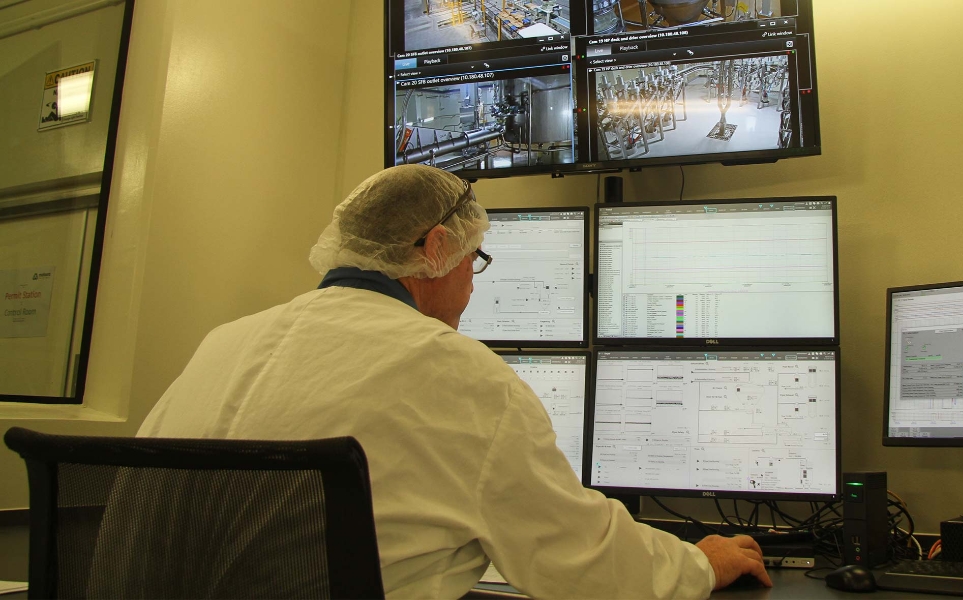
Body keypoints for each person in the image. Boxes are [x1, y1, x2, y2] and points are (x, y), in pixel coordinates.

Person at [138, 164, 772, 598]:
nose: (473, 283)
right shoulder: (454, 369)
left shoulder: (224, 343)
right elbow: (581, 561)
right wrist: (699, 563)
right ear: (436, 248)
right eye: (475, 260)